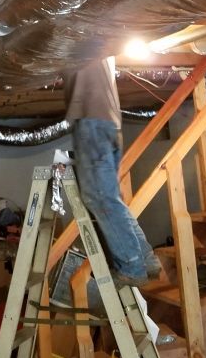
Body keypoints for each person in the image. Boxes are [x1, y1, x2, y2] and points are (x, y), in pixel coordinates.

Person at [64, 57, 161, 287]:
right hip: (107, 120)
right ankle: (146, 259)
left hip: (91, 120)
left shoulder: (77, 29)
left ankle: (132, 266)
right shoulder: (101, 42)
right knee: (109, 197)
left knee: (99, 198)